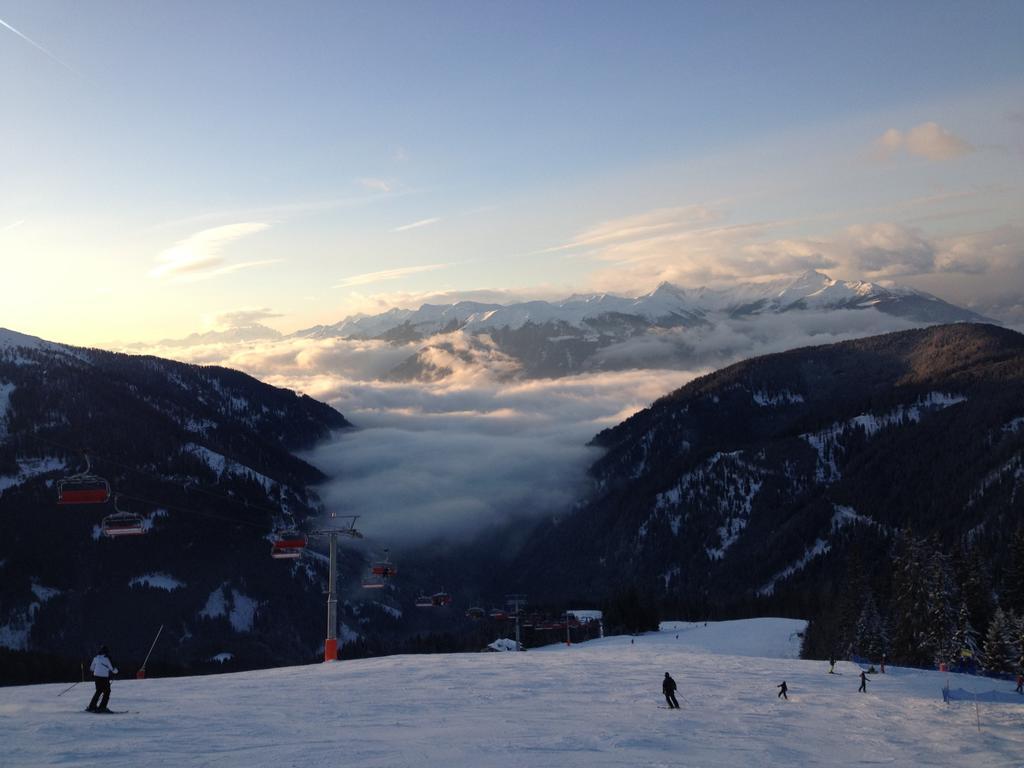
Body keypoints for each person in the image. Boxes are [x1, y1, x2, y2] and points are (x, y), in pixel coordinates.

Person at [86, 645, 119, 713]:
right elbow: (112, 669)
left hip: (96, 677)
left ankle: (91, 706)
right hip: (104, 678)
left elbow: (91, 668)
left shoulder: (96, 658)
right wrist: (116, 671)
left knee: (98, 691)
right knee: (107, 692)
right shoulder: (107, 659)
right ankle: (102, 707)